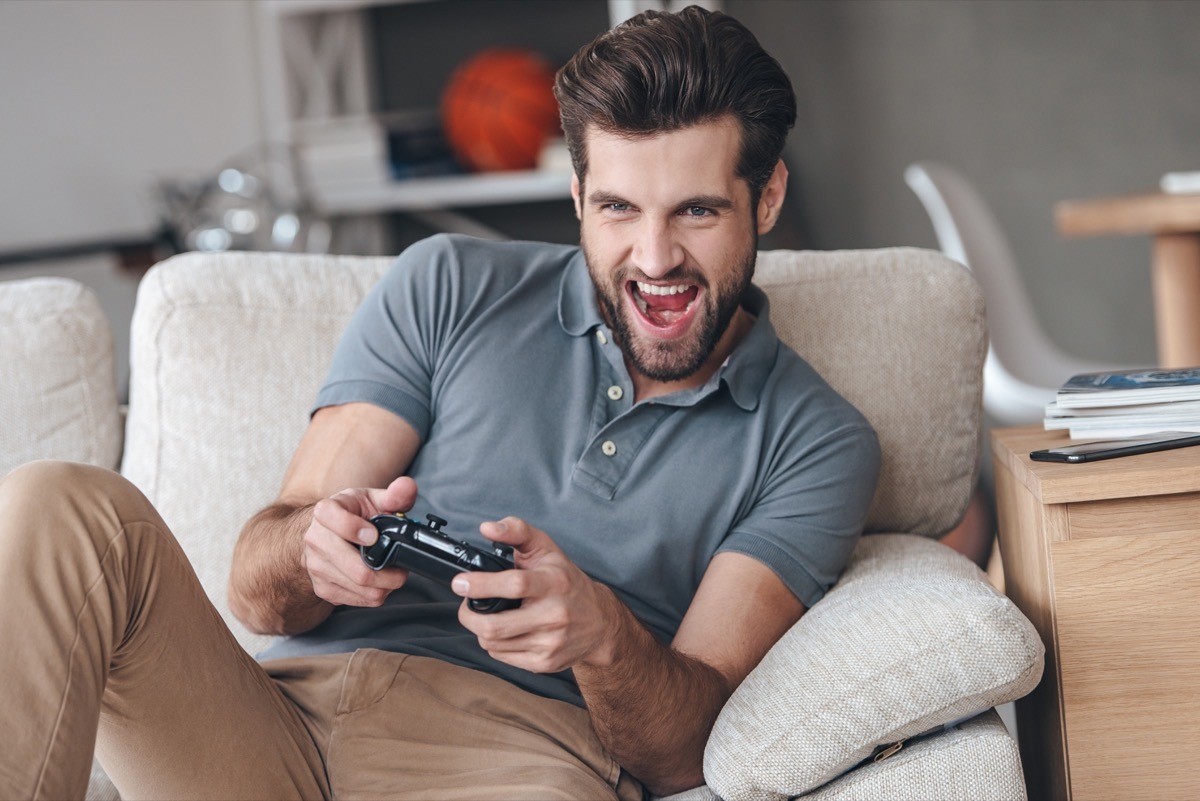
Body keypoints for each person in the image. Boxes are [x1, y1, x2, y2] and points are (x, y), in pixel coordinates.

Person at [0, 6, 880, 800]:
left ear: (766, 197)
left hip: (520, 757)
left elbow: (685, 753)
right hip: (272, 727)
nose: (653, 258)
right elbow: (256, 593)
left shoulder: (815, 441)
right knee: (59, 503)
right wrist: (309, 552)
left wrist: (602, 635)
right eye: (618, 208)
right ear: (578, 197)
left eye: (695, 212)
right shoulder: (449, 284)